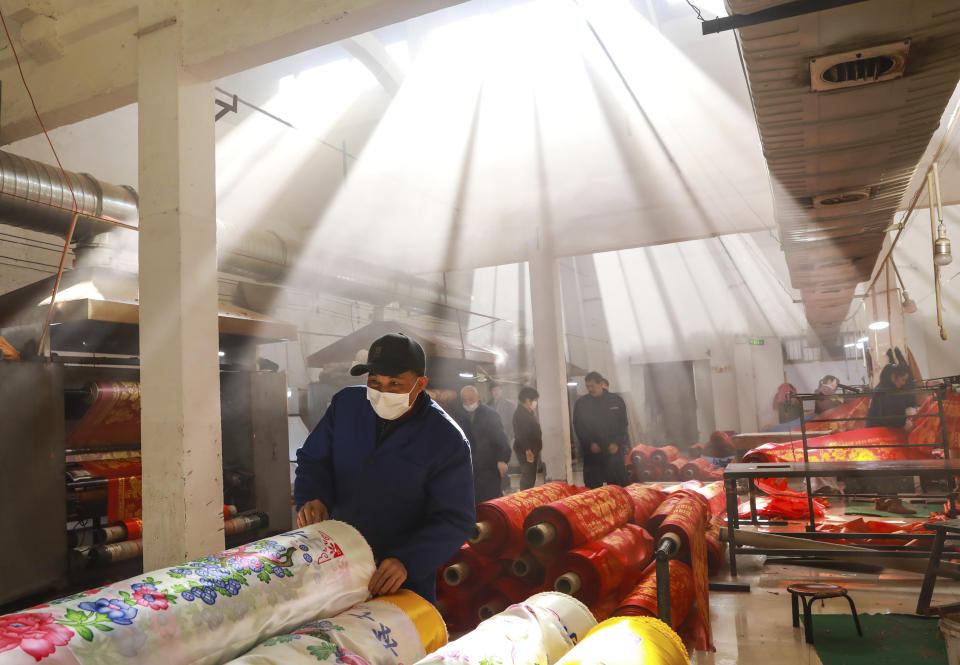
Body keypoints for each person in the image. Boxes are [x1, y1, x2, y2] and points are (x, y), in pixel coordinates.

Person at [294, 333, 475, 604]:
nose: (382, 393)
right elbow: (314, 459)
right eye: (374, 382)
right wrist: (312, 496)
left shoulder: (446, 439)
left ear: (420, 384)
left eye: (395, 385)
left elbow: (454, 519)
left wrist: (407, 560)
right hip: (336, 561)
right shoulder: (346, 407)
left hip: (398, 578)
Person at [848, 363, 918, 514]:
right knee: (892, 469)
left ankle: (881, 501)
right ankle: (894, 502)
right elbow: (890, 417)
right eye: (902, 380)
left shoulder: (882, 389)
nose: (903, 383)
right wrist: (905, 422)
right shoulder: (888, 392)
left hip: (877, 436)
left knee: (882, 470)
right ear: (894, 377)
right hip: (884, 437)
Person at [453, 385, 512, 503]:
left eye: (471, 399)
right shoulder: (460, 416)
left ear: (478, 397)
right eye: (465, 400)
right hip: (469, 468)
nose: (468, 403)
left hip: (488, 468)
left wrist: (502, 459)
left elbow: (501, 438)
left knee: (491, 502)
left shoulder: (490, 414)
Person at [572, 371, 630, 488]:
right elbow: (579, 426)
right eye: (587, 386)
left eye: (592, 386)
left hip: (613, 450)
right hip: (593, 451)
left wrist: (617, 443)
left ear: (601, 384)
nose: (590, 389)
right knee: (592, 486)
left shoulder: (616, 400)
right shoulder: (582, 403)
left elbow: (623, 424)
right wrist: (590, 443)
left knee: (616, 485)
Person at [512, 387, 542, 490]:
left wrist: (538, 448)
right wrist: (528, 450)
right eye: (535, 400)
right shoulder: (520, 414)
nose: (535, 403)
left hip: (532, 448)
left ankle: (528, 495)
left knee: (531, 475)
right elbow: (521, 435)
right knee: (528, 476)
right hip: (526, 449)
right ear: (528, 400)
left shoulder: (529, 412)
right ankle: (524, 497)